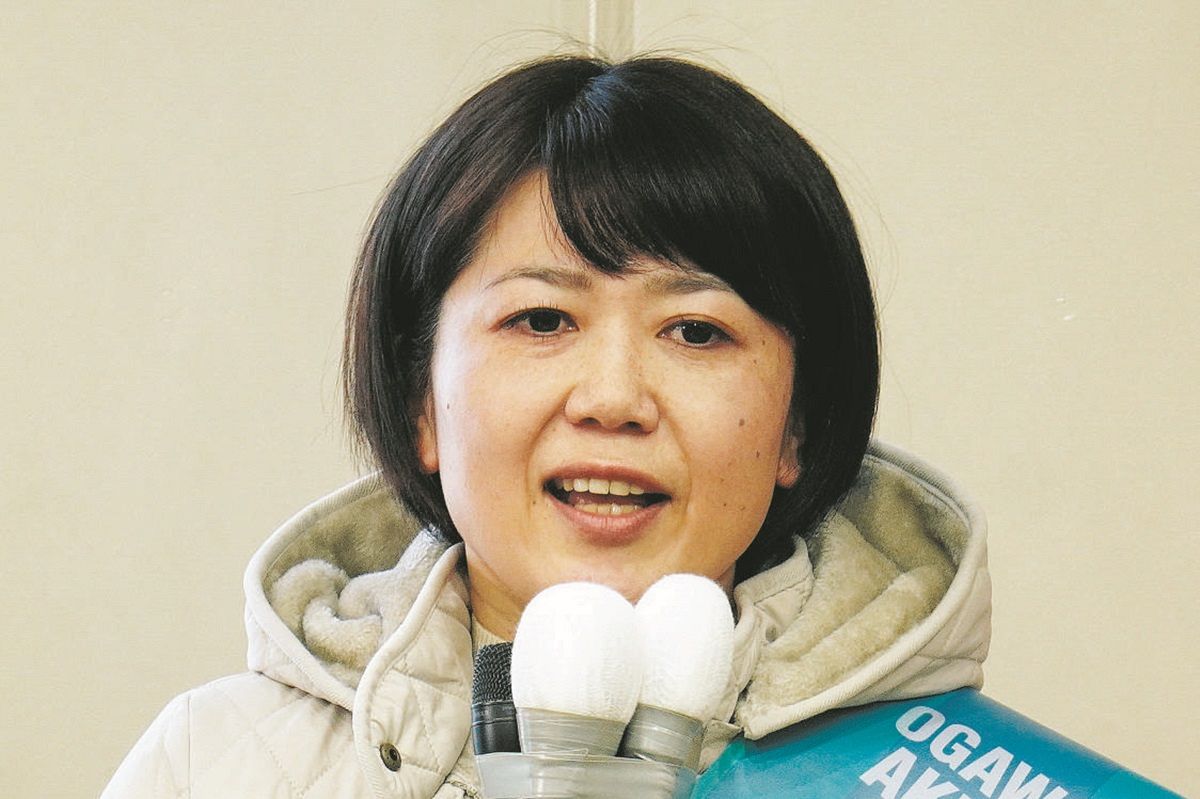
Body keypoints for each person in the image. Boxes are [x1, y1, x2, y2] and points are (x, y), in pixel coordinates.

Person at [102, 55, 988, 798]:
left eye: (695, 330)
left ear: (799, 425)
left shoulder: (955, 776)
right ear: (420, 401)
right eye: (541, 319)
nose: (613, 397)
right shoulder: (214, 762)